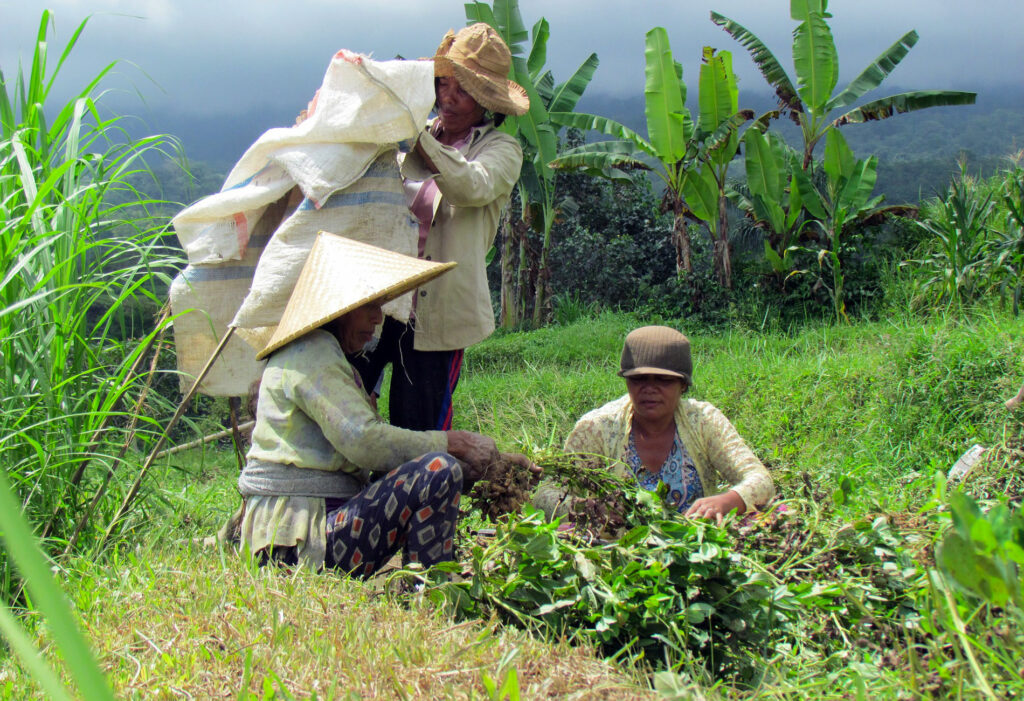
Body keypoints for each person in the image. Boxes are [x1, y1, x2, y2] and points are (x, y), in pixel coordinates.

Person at [238, 232, 537, 573]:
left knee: (441, 468)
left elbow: (381, 460)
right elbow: (364, 441)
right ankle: (429, 589)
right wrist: (453, 443)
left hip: (308, 533)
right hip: (296, 543)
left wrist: (494, 465)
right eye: (369, 306)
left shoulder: (324, 357)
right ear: (339, 306)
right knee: (437, 472)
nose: (378, 319)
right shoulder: (312, 353)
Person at [347, 22, 528, 432]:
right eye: (444, 83)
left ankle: (425, 494)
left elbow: (470, 185)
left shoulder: (500, 150)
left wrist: (415, 135)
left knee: (420, 427)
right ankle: (364, 490)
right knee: (353, 399)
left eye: (462, 89)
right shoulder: (420, 135)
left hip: (438, 313)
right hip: (384, 299)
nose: (448, 96)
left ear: (485, 100)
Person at [535, 326, 774, 525]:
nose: (649, 389)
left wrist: (727, 501)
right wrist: (592, 509)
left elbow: (760, 480)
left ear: (683, 385)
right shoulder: (597, 428)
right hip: (616, 554)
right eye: (638, 379)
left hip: (695, 552)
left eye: (663, 380)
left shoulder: (703, 422)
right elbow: (546, 494)